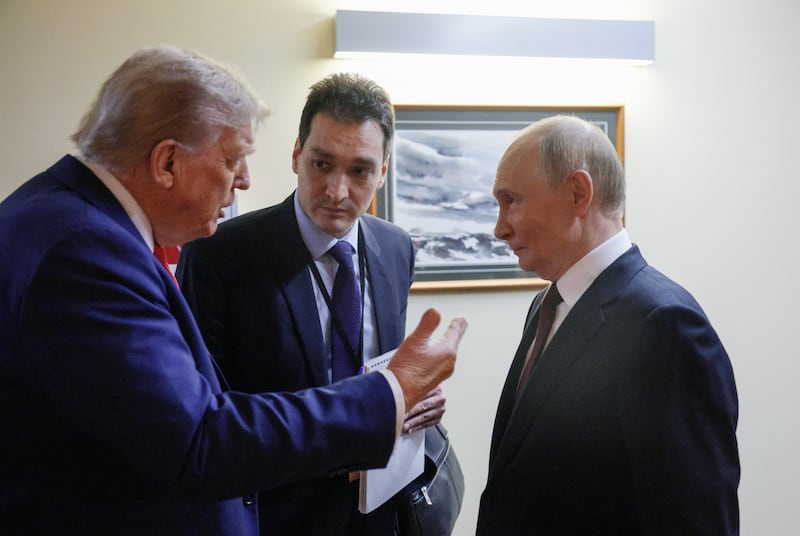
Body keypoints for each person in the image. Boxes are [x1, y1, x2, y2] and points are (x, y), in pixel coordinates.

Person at [0, 45, 467, 536]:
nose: (243, 180)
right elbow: (200, 437)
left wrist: (406, 397)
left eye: (360, 170)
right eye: (231, 159)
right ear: (167, 162)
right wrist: (389, 395)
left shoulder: (66, 220)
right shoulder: (85, 251)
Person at [177, 72, 446, 535]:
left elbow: (381, 368)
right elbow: (210, 415)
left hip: (377, 512)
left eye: (359, 170)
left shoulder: (397, 248)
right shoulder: (219, 255)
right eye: (322, 164)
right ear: (297, 155)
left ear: (383, 171)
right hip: (275, 516)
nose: (337, 191)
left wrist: (412, 396)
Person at [476, 115, 739, 534]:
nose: (499, 228)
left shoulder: (664, 325)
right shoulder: (546, 304)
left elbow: (693, 521)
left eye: (512, 200)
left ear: (578, 193)